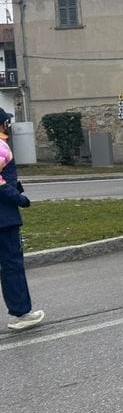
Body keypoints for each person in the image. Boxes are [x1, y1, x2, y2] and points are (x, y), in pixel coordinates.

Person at [0, 109, 41, 332]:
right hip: (3, 218)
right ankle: (21, 313)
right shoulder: (1, 145)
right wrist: (19, 199)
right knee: (11, 266)